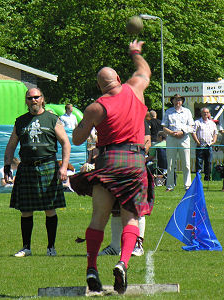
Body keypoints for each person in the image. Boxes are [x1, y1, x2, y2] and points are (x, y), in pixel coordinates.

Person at [69, 39, 151, 294]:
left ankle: (92, 267)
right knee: (131, 217)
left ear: (99, 85)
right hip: (134, 163)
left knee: (98, 217)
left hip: (107, 163)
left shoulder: (96, 107)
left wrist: (84, 123)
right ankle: (123, 262)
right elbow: (144, 71)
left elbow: (77, 139)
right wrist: (135, 52)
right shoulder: (135, 89)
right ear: (117, 77)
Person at [4, 88, 71, 257]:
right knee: (26, 209)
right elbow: (11, 146)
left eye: (36, 97)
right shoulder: (20, 122)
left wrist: (63, 167)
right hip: (26, 167)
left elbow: (65, 143)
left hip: (48, 165)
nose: (33, 100)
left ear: (42, 99)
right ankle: (26, 247)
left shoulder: (52, 119)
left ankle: (51, 248)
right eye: (30, 98)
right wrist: (6, 167)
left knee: (50, 208)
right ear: (26, 101)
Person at [98, 120, 154, 257]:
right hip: (115, 166)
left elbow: (147, 142)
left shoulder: (140, 119)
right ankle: (115, 246)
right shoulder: (114, 119)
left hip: (134, 166)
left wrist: (135, 154)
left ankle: (137, 245)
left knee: (137, 208)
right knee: (116, 208)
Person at [162, 94, 194, 191]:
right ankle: (170, 186)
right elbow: (164, 127)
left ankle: (187, 185)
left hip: (184, 138)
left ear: (182, 101)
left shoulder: (187, 112)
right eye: (175, 100)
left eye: (179, 100)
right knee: (170, 163)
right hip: (171, 138)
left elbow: (191, 126)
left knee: (186, 163)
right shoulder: (168, 111)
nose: (177, 102)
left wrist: (182, 132)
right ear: (172, 101)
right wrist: (171, 133)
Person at [192, 107, 218, 181]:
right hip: (200, 145)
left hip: (209, 145)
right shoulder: (197, 122)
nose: (205, 114)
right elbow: (193, 132)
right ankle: (198, 177)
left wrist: (214, 141)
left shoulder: (212, 123)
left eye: (207, 112)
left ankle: (207, 177)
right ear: (201, 113)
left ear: (209, 113)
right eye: (204, 112)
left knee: (208, 162)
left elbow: (215, 133)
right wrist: (197, 142)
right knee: (199, 162)